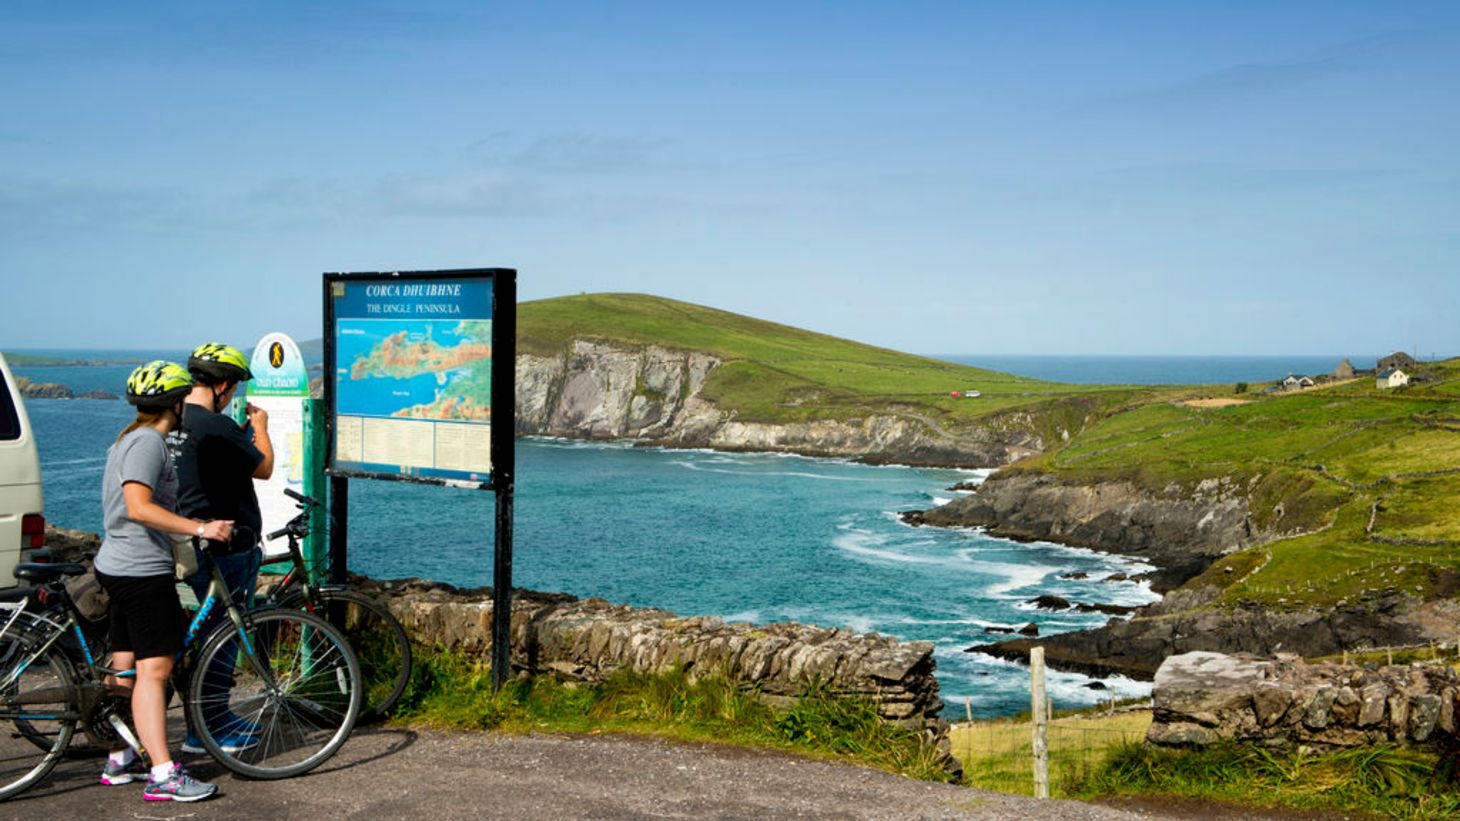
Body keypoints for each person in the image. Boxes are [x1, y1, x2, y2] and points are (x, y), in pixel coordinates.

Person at [93, 361, 231, 802]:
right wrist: (200, 530)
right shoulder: (150, 443)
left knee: (126, 665)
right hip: (141, 570)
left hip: (117, 564)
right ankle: (163, 773)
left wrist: (185, 522)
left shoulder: (128, 438)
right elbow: (137, 506)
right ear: (175, 403)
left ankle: (120, 757)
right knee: (155, 672)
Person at [171, 342, 273, 754]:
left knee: (208, 635)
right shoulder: (216, 425)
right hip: (227, 547)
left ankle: (214, 718)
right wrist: (260, 427)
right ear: (225, 386)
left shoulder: (174, 419)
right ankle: (207, 731)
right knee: (222, 638)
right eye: (233, 389)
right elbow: (263, 467)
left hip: (187, 542)